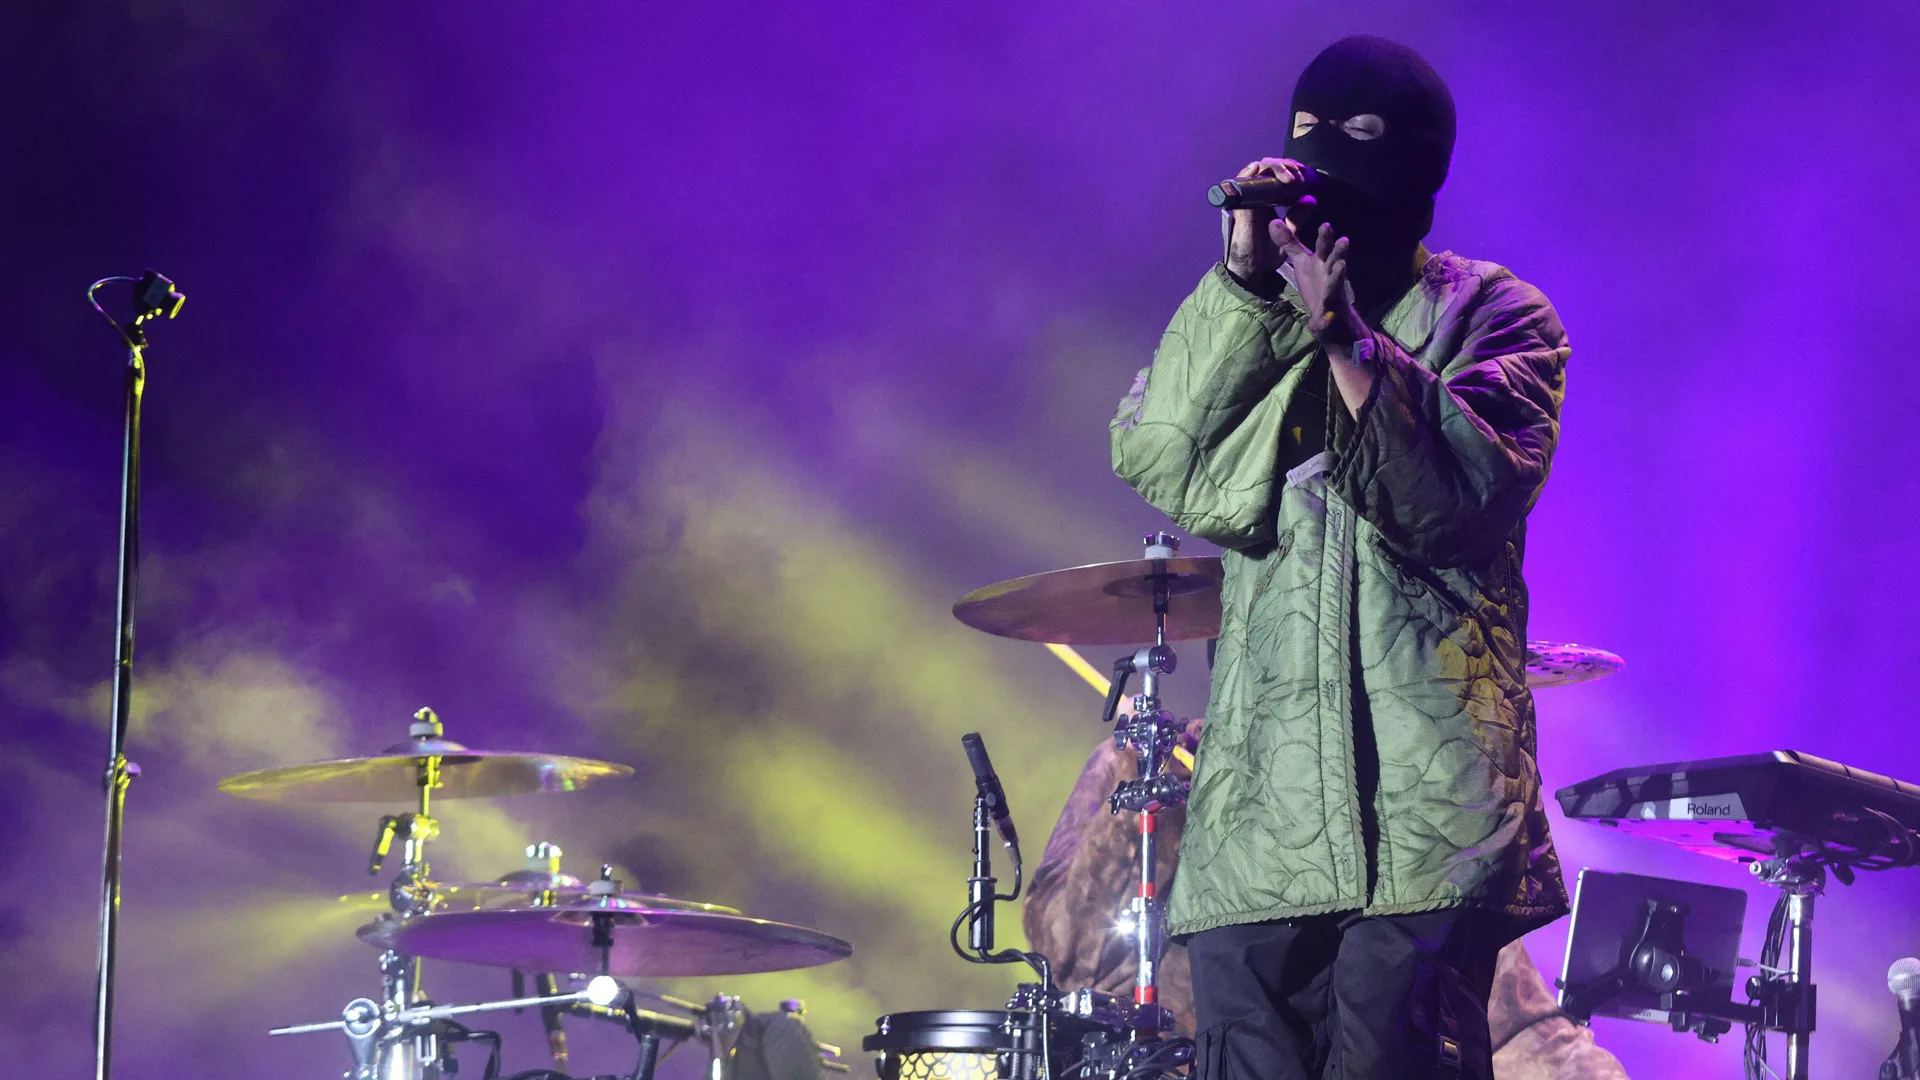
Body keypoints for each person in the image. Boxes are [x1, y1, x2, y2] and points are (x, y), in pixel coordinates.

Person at [1107, 35, 1573, 1080]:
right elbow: (1158, 455)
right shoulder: (1254, 323)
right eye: (1308, 135)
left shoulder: (1497, 315)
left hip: (1422, 829)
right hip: (1258, 837)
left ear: (1421, 161)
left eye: (1357, 135)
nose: (1326, 157)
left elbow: (1454, 498)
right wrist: (1241, 284)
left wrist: (1351, 342)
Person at [1024, 733, 1630, 1080]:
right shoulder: (1161, 769)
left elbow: (1515, 1020)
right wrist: (1130, 804)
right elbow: (1063, 950)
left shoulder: (1395, 809)